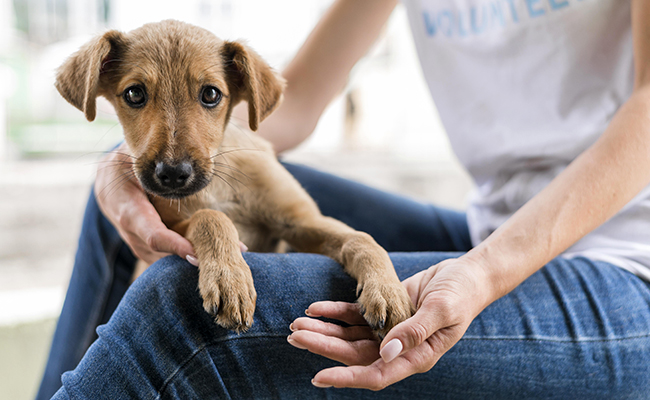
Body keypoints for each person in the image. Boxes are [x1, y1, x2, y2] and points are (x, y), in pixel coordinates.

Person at [37, 0, 650, 398]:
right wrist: (132, 165)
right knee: (121, 199)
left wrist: (482, 273)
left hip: (627, 267)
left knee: (177, 307)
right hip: (488, 225)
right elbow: (291, 102)